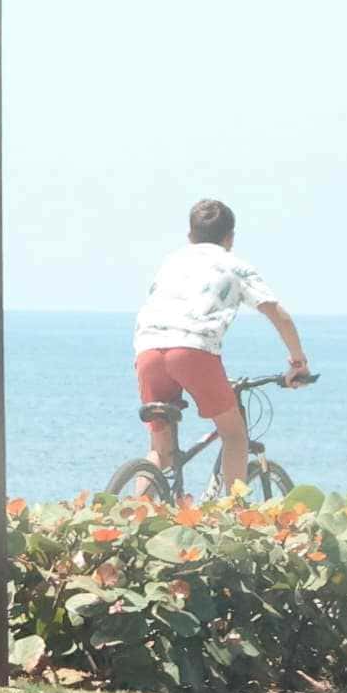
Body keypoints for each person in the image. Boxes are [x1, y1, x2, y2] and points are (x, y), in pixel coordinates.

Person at [132, 196, 311, 492]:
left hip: (148, 349)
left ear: (190, 236)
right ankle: (233, 515)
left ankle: (133, 516)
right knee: (234, 435)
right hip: (192, 351)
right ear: (230, 238)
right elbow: (277, 314)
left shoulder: (171, 262)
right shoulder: (235, 266)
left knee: (160, 450)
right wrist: (298, 362)